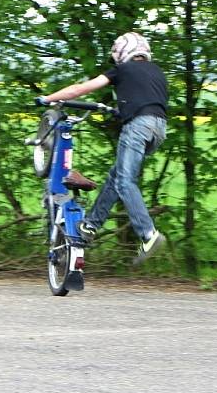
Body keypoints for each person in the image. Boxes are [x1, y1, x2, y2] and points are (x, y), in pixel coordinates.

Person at [36, 32, 168, 266]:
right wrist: (120, 110)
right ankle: (90, 225)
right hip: (158, 130)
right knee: (116, 177)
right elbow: (145, 99)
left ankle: (148, 234)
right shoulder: (157, 72)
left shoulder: (122, 70)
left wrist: (48, 99)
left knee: (125, 181)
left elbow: (80, 89)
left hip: (138, 128)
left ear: (122, 53)